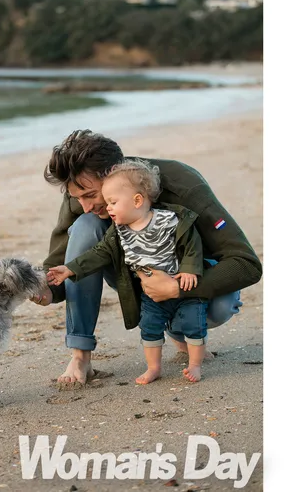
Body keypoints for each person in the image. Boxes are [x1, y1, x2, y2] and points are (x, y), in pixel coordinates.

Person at [31, 130, 262, 385]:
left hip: (189, 275)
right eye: (77, 198)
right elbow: (61, 256)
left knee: (220, 307)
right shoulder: (81, 188)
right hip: (135, 279)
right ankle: (80, 356)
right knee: (86, 226)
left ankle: (178, 328)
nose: (84, 205)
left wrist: (176, 288)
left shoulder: (182, 184)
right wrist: (48, 289)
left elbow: (246, 263)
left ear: (112, 173)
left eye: (90, 196)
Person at [47, 159, 208, 384]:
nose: (108, 207)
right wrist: (70, 269)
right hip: (151, 294)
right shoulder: (119, 231)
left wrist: (190, 269)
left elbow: (191, 244)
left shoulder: (170, 219)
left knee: (193, 323)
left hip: (181, 287)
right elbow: (99, 253)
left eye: (112, 202)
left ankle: (195, 365)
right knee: (149, 327)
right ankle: (154, 368)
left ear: (137, 200)